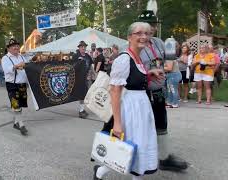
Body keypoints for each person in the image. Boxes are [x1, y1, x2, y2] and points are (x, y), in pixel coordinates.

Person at [93, 22, 161, 180]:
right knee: (128, 146)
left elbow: (132, 79)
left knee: (134, 146)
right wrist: (117, 123)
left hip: (140, 107)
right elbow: (115, 91)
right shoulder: (124, 59)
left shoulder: (137, 57)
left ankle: (100, 171)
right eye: (138, 33)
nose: (143, 36)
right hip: (130, 109)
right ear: (129, 37)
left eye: (146, 33)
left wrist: (149, 73)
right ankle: (102, 172)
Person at [138, 10, 188, 171]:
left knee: (162, 124)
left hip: (158, 90)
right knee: (141, 126)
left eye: (153, 24)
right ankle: (137, 157)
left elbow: (169, 62)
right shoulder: (134, 45)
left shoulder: (159, 42)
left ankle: (164, 158)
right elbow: (132, 70)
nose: (151, 28)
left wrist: (173, 52)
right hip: (142, 92)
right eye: (148, 24)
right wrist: (150, 73)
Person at [1, 38, 29, 136]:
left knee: (20, 104)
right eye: (13, 46)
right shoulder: (5, 58)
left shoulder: (21, 56)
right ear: (8, 48)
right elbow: (7, 70)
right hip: (12, 85)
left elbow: (27, 66)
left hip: (22, 84)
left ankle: (15, 123)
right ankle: (21, 125)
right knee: (16, 104)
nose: (16, 47)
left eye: (17, 45)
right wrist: (17, 66)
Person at [72, 41, 93, 118]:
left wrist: (91, 74)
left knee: (85, 94)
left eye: (84, 46)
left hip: (86, 77)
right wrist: (79, 61)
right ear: (79, 48)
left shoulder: (87, 56)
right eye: (82, 46)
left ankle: (82, 109)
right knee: (81, 94)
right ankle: (81, 111)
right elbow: (73, 67)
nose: (83, 48)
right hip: (79, 78)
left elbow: (90, 65)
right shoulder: (76, 56)